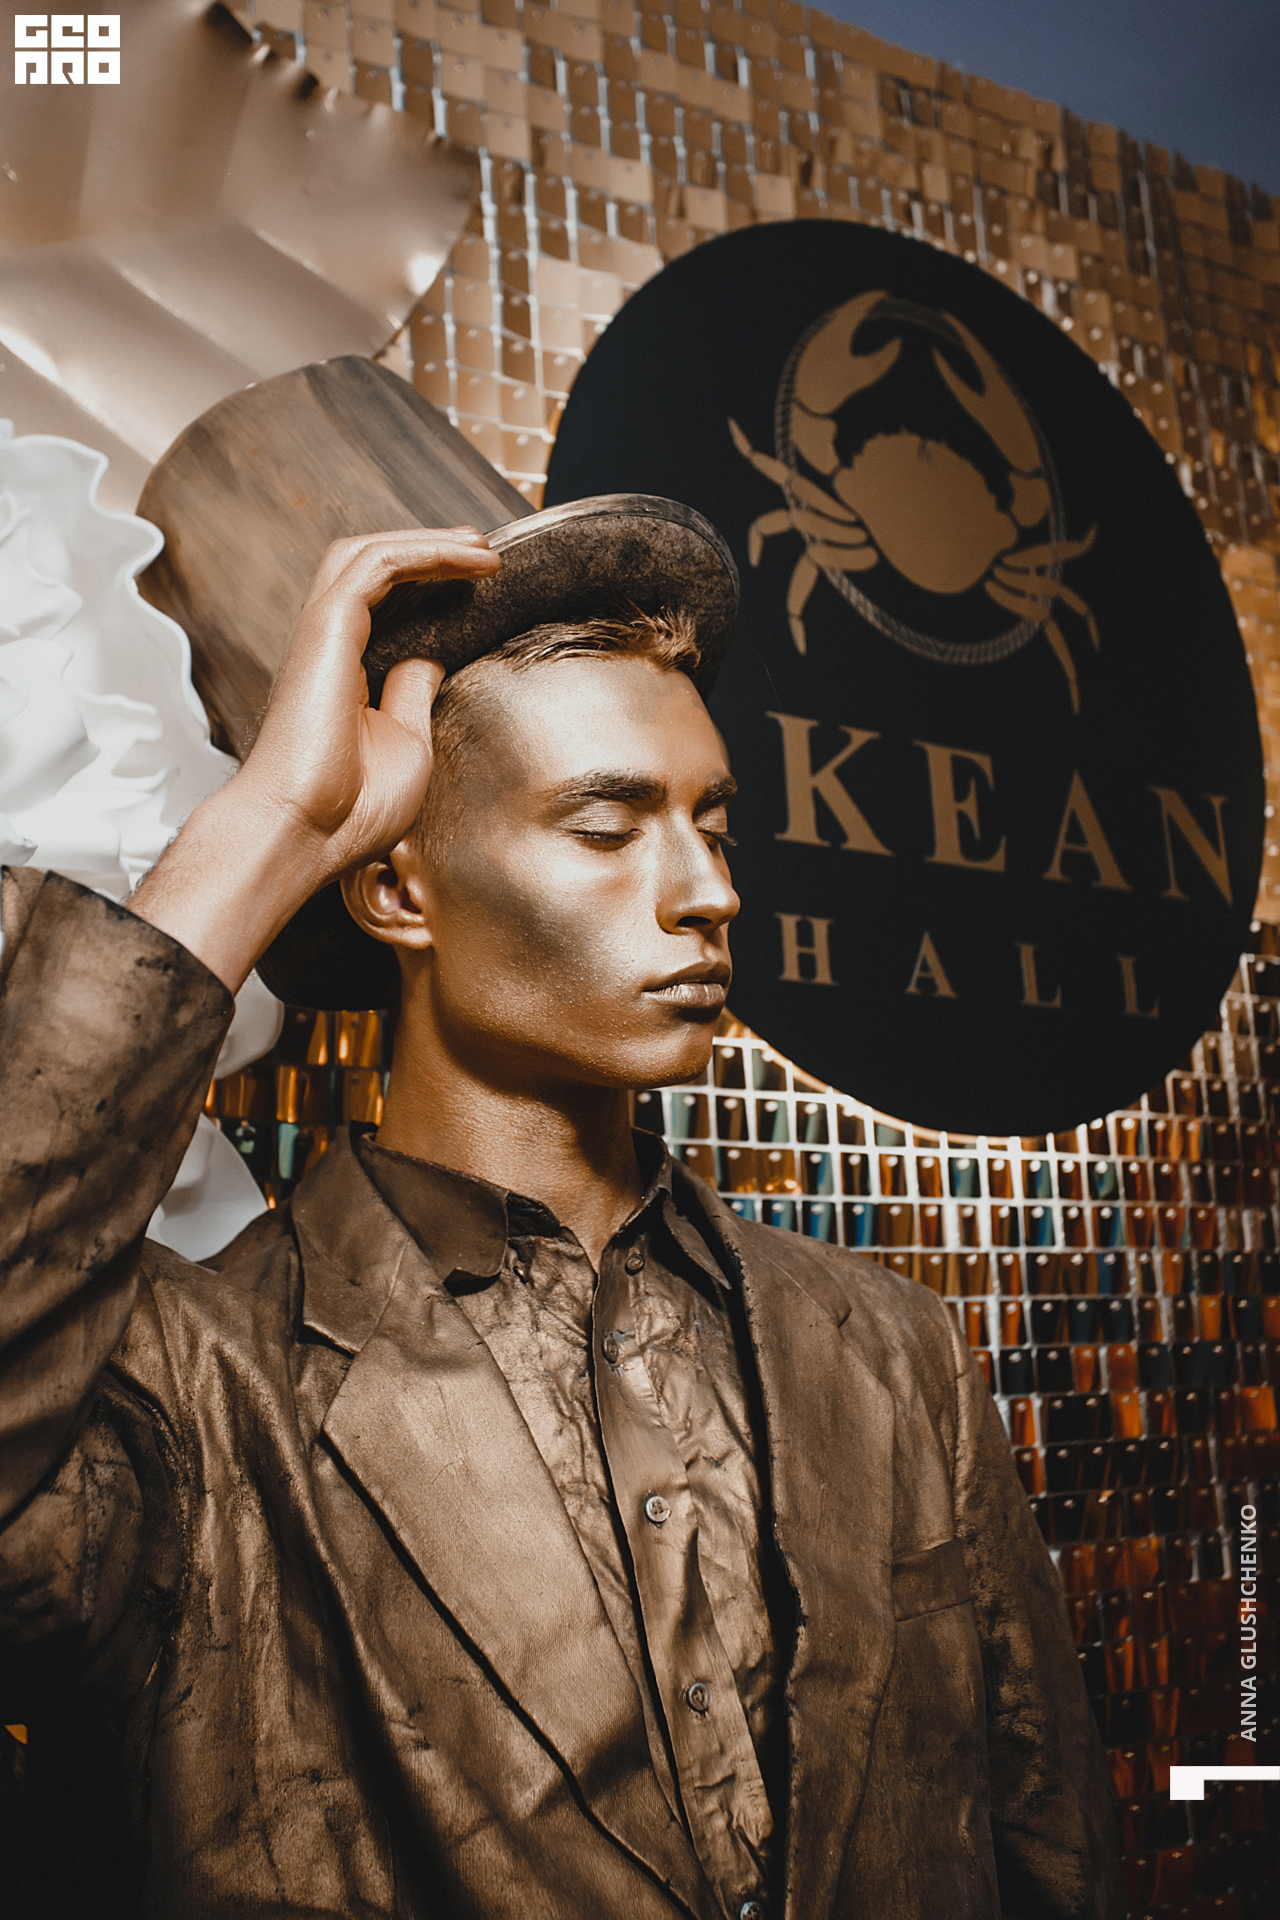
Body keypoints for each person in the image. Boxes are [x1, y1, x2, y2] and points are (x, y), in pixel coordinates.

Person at [0, 505, 1122, 1920]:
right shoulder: (190, 1383)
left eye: (714, 824)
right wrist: (272, 829)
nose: (710, 892)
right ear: (397, 886)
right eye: (606, 828)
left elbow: (1054, 1857)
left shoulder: (897, 1355)